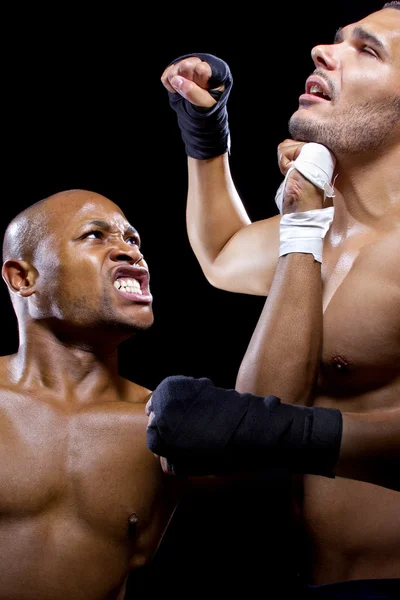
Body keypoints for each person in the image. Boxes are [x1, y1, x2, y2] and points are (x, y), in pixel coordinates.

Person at [155, 1, 400, 598]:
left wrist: (279, 433)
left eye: (367, 50)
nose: (324, 50)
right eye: (337, 39)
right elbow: (223, 252)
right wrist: (206, 134)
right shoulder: (318, 222)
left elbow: (268, 422)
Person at [1, 182, 346, 599]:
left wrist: (301, 227)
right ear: (23, 277)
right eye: (95, 235)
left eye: (132, 238)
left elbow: (271, 432)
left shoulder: (163, 427)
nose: (131, 251)